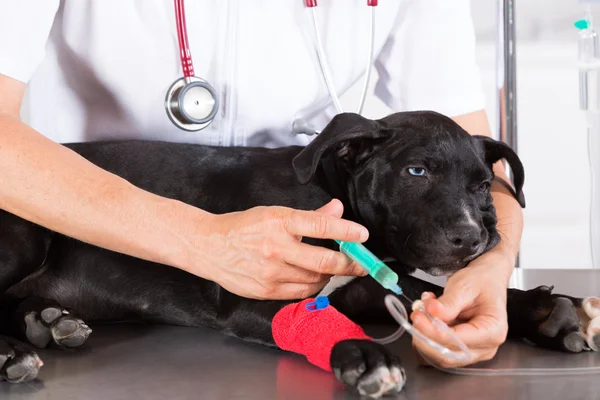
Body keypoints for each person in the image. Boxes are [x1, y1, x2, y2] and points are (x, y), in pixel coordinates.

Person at [0, 0, 523, 369]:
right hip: (67, 216)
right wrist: (201, 237)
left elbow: (469, 151)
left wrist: (493, 270)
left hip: (285, 257)